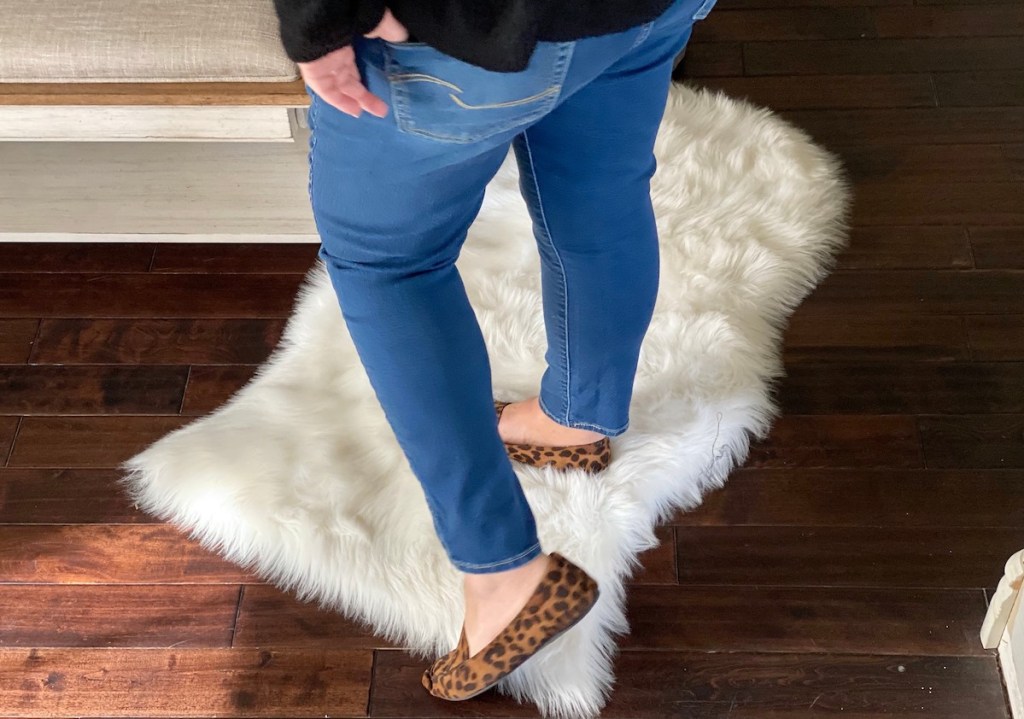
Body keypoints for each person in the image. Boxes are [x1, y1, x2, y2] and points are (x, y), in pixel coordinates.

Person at [271, 0, 716, 700]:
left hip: (466, 22)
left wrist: (322, 18)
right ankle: (579, 415)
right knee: (600, 192)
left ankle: (501, 570)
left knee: (389, 262)